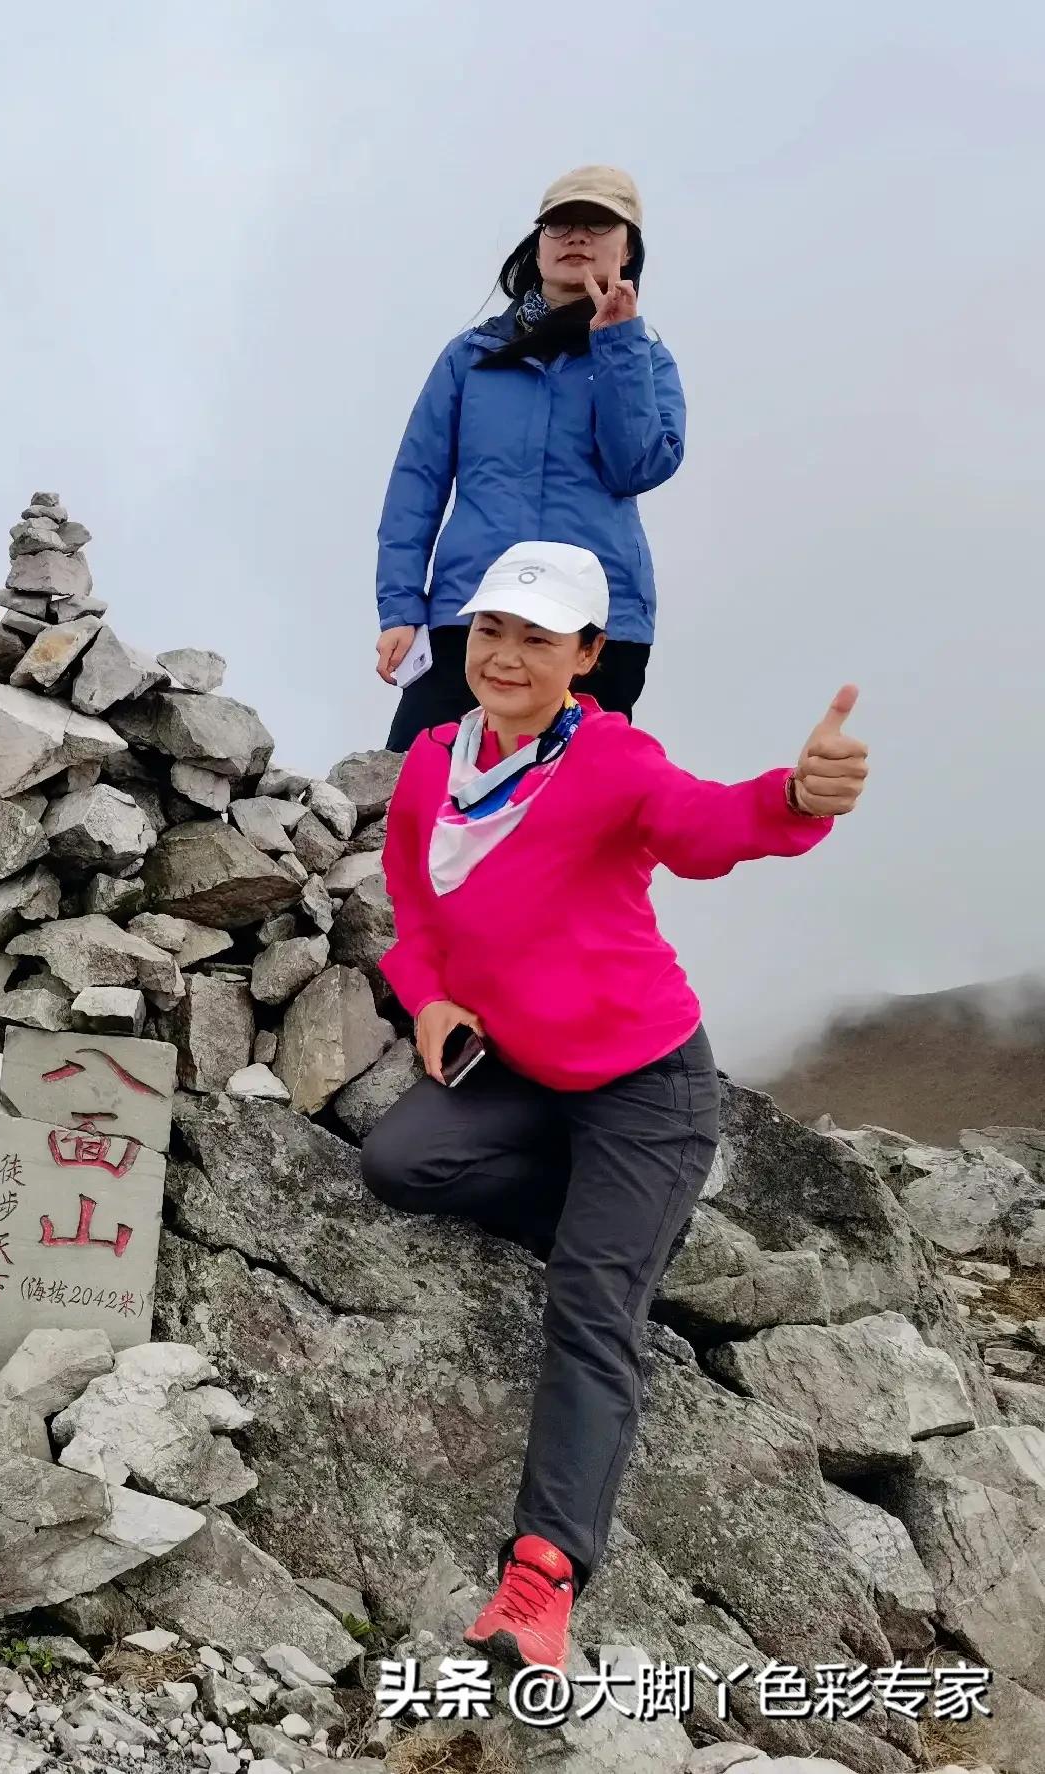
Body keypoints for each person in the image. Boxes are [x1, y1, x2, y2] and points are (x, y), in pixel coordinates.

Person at [357, 540, 870, 1669]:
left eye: (537, 638)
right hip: (520, 1071)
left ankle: (540, 1578)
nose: (504, 655)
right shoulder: (434, 760)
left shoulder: (612, 758)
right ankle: (623, 1232)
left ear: (586, 655)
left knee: (588, 1307)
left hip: (645, 1086)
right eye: (491, 629)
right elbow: (410, 894)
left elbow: (704, 827)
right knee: (397, 1164)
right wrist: (427, 995)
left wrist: (795, 797)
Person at [374, 166, 685, 751]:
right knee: (416, 782)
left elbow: (637, 467)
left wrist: (616, 344)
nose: (576, 236)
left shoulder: (645, 357)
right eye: (558, 224)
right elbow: (416, 483)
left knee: (578, 796)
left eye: (598, 224)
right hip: (472, 613)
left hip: (594, 626)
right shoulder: (471, 355)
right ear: (537, 245)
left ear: (628, 250)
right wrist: (400, 608)